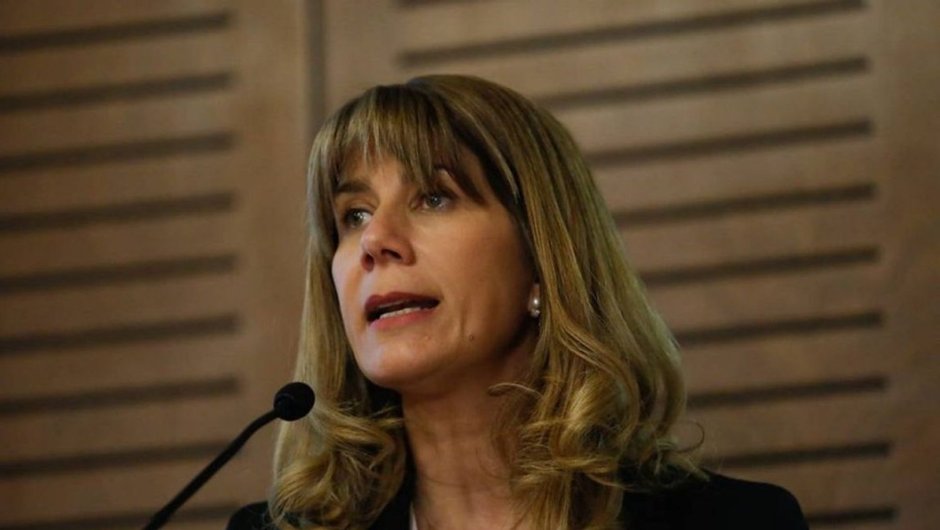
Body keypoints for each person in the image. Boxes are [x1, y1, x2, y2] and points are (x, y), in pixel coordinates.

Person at [229, 75, 807, 530]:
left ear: (540, 259)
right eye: (353, 215)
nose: (375, 240)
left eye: (434, 198)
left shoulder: (736, 522)